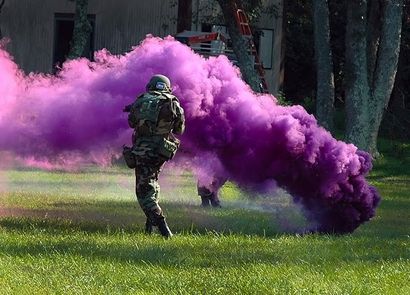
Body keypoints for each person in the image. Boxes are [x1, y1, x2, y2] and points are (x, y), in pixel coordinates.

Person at [125, 74, 185, 238]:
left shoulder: (142, 99)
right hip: (162, 151)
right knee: (152, 184)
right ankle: (149, 230)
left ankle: (165, 231)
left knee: (144, 193)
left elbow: (131, 122)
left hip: (143, 151)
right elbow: (180, 130)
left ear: (151, 85)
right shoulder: (173, 102)